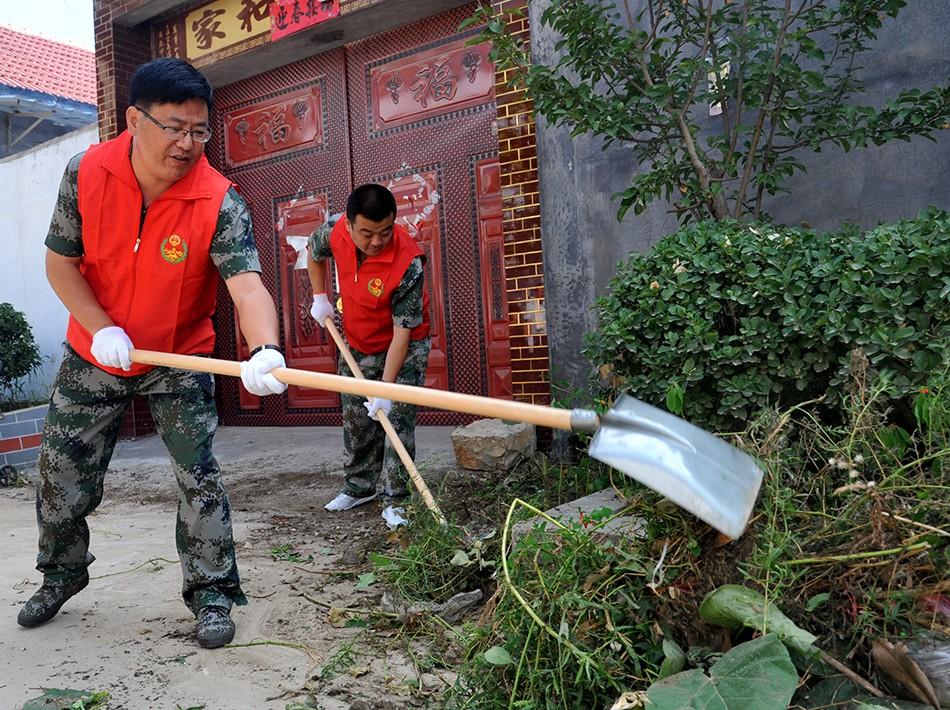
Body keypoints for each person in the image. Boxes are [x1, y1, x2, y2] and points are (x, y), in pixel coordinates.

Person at [16, 58, 288, 649]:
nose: (188, 144)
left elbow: (247, 285)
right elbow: (60, 264)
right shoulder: (85, 172)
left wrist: (265, 348)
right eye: (174, 127)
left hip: (177, 359)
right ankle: (61, 573)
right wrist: (100, 327)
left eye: (199, 130)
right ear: (134, 120)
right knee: (60, 471)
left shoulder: (219, 200)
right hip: (95, 353)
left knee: (199, 476)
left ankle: (212, 593)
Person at [307, 184, 430, 529]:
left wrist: (385, 390)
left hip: (403, 347)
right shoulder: (333, 230)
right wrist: (320, 297)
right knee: (356, 418)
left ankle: (398, 500)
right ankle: (359, 486)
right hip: (357, 340)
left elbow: (402, 333)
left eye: (385, 231)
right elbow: (313, 254)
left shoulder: (408, 263)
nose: (377, 241)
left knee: (396, 423)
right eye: (367, 233)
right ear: (348, 225)